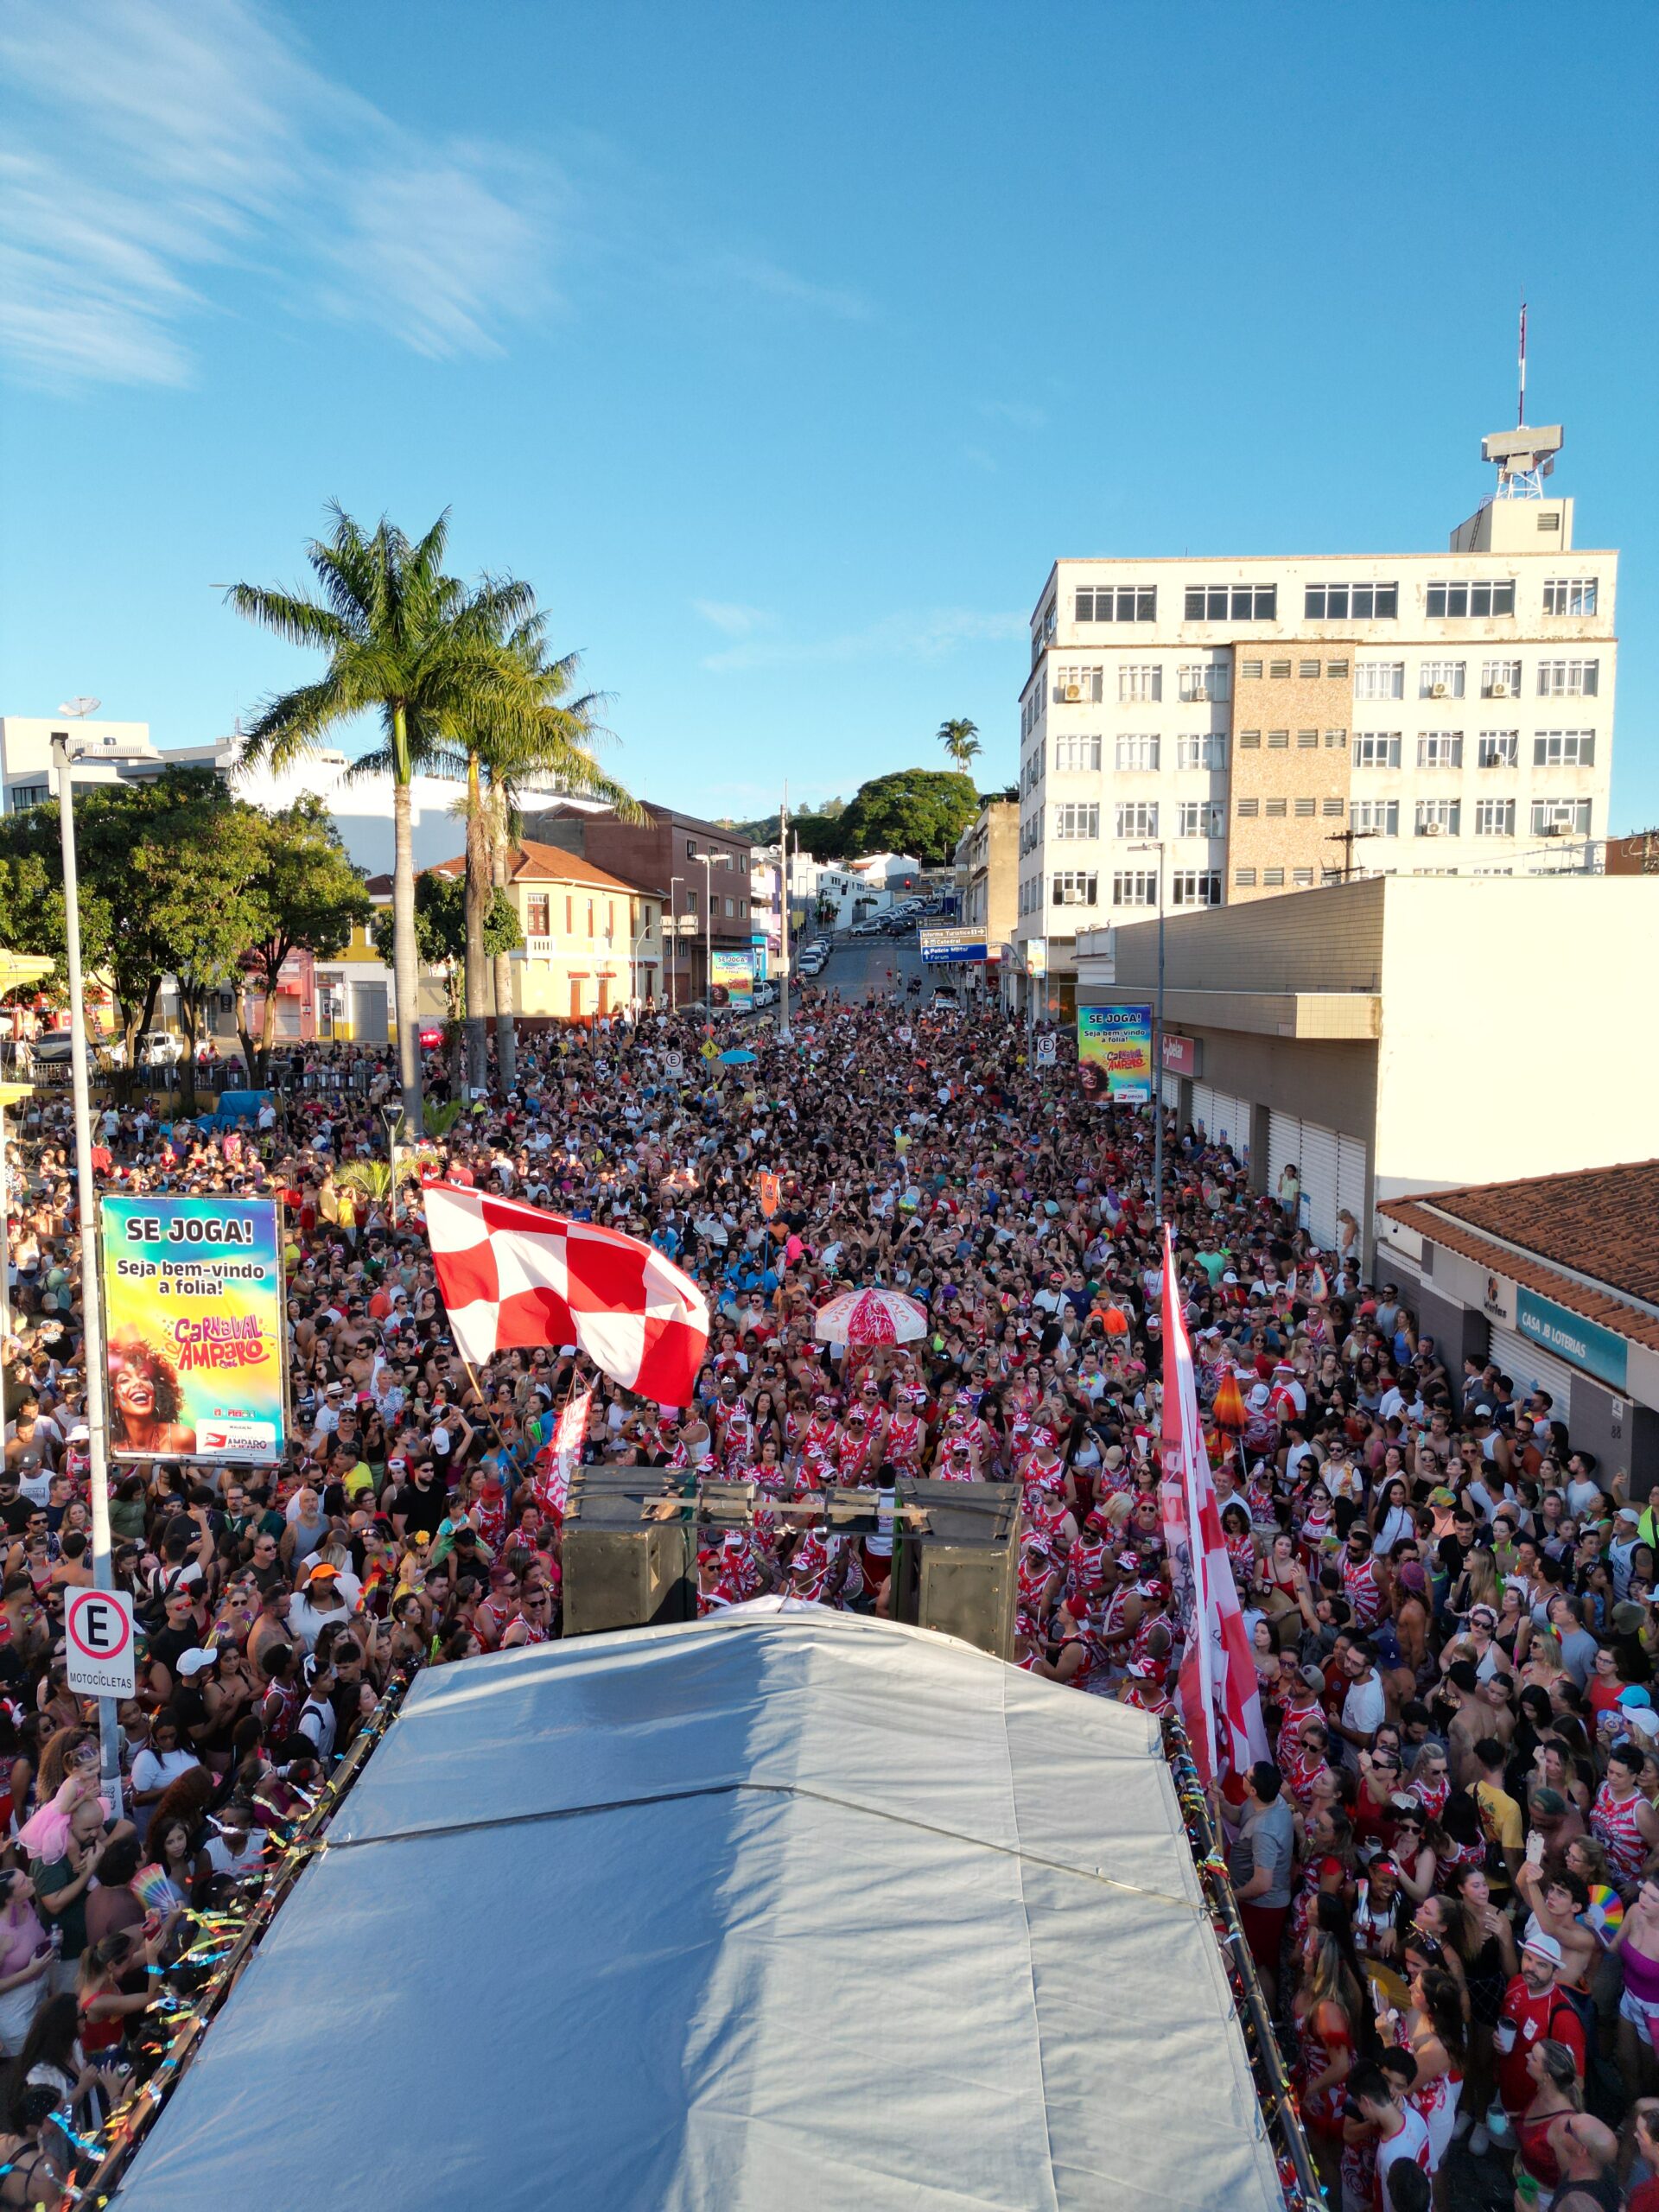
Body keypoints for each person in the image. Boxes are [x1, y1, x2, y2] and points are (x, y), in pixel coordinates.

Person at [1230, 1761, 1294, 2005]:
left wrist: (1233, 1895)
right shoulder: (1269, 1801)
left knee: (1259, 1963)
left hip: (1262, 1907)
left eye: (1247, 1775)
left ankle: (1266, 2018)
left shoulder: (1265, 1832)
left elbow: (1262, 1883)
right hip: (1258, 1904)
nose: (1243, 1774)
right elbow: (1240, 1816)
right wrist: (1222, 1803)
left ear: (1253, 1790)